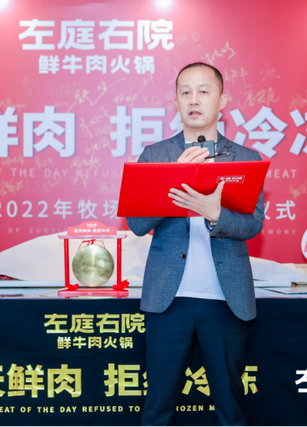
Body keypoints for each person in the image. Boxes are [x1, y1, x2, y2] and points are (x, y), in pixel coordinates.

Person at [126, 62, 265, 427]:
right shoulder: (155, 156)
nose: (194, 99)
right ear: (176, 101)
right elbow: (137, 224)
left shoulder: (246, 159)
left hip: (225, 298)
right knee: (157, 407)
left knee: (231, 409)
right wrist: (173, 179)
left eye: (204, 91)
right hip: (168, 298)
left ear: (222, 100)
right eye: (185, 92)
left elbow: (253, 224)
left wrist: (216, 214)